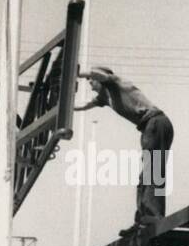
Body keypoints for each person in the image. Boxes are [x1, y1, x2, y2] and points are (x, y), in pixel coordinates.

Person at [75, 66, 175, 236]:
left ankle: (153, 216)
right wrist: (60, 106)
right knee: (147, 175)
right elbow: (84, 106)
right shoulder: (104, 97)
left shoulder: (116, 83)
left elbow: (103, 75)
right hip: (149, 127)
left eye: (90, 81)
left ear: (100, 79)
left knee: (153, 171)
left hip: (156, 123)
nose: (90, 85)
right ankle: (143, 219)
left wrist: (77, 73)